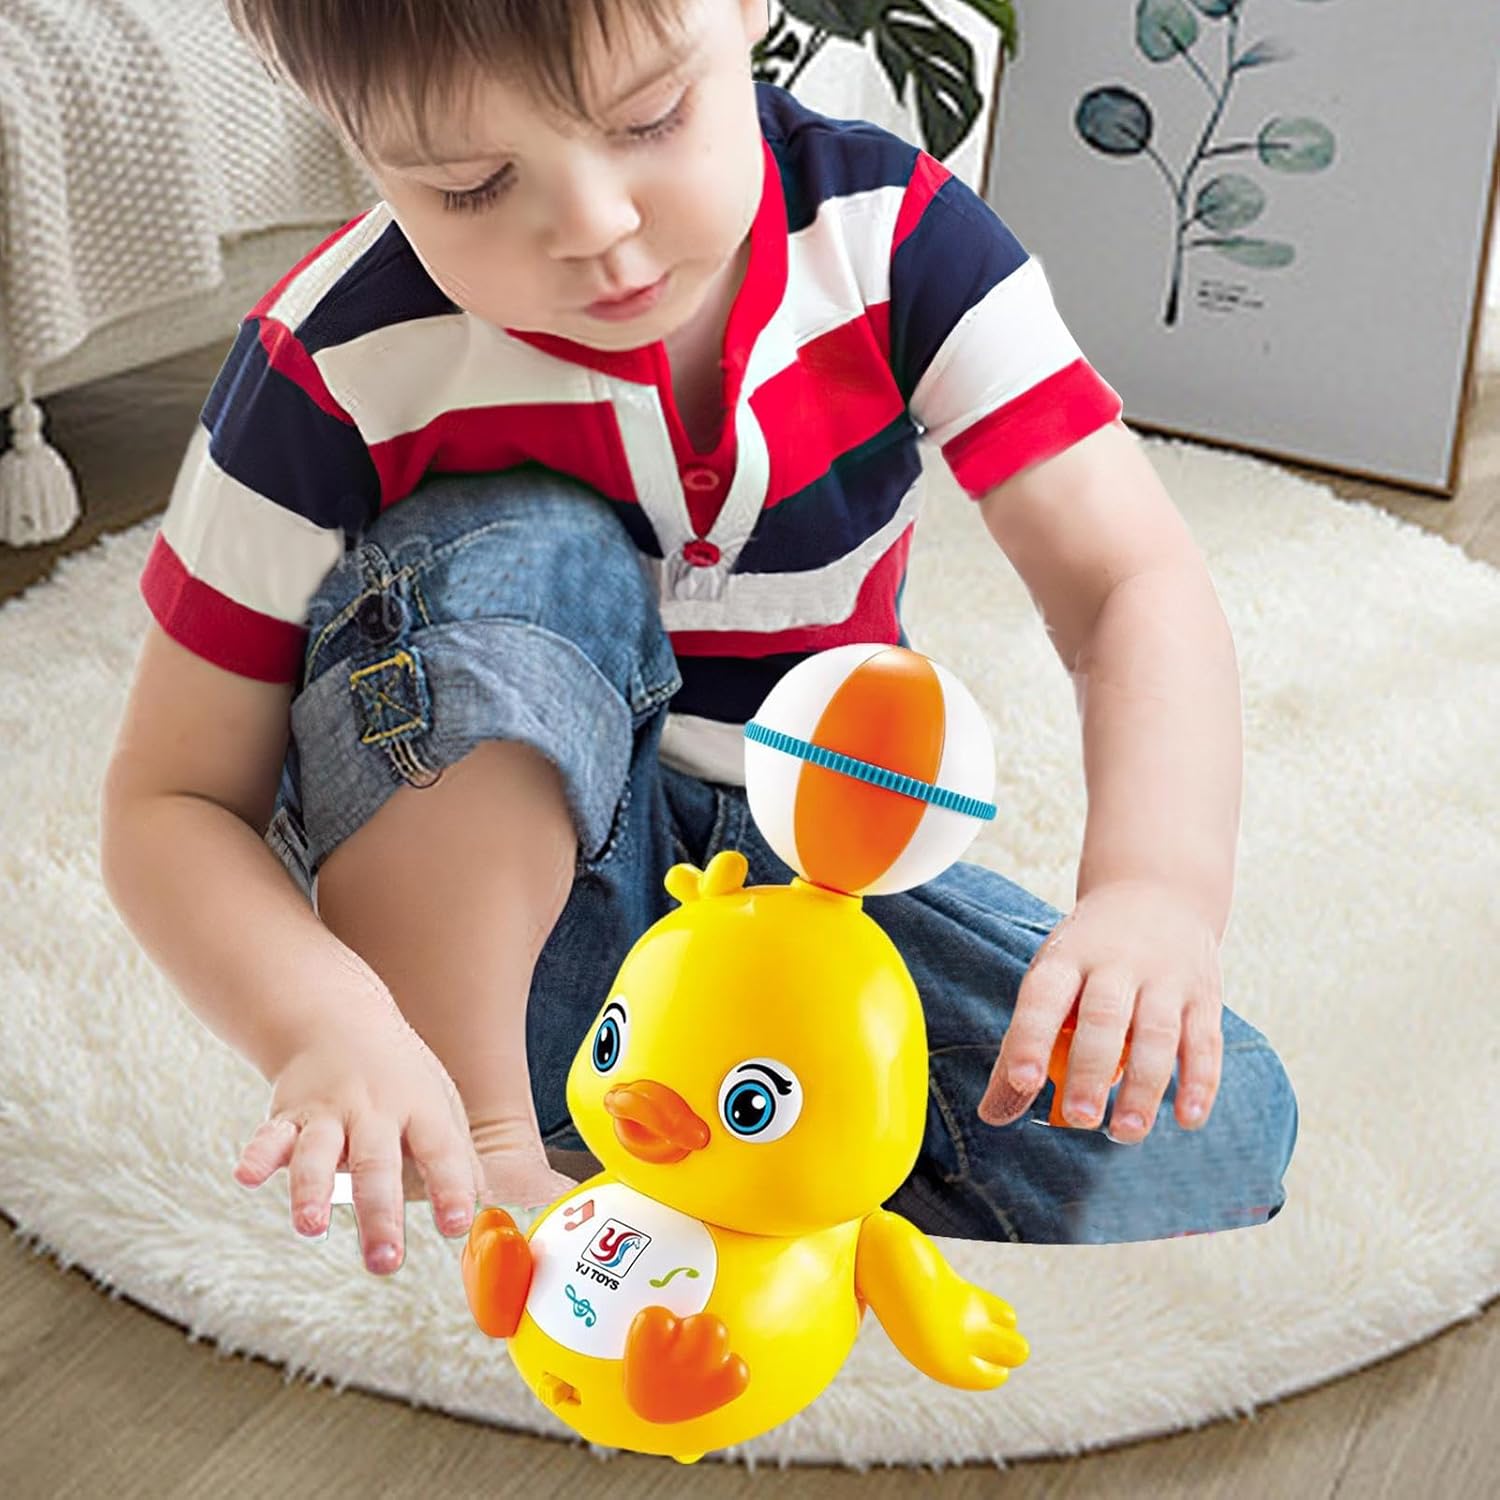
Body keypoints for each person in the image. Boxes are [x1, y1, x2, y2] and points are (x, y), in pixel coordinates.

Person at [99, 0, 1298, 1277]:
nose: (594, 224)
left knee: (1204, 1126)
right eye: (472, 185)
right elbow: (172, 801)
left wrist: (1153, 893)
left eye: (652, 118)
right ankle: (485, 1136)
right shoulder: (332, 363)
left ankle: (704, 1147)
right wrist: (325, 1024)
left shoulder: (894, 240)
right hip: (500, 947)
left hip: (800, 893)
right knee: (537, 548)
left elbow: (1126, 581)